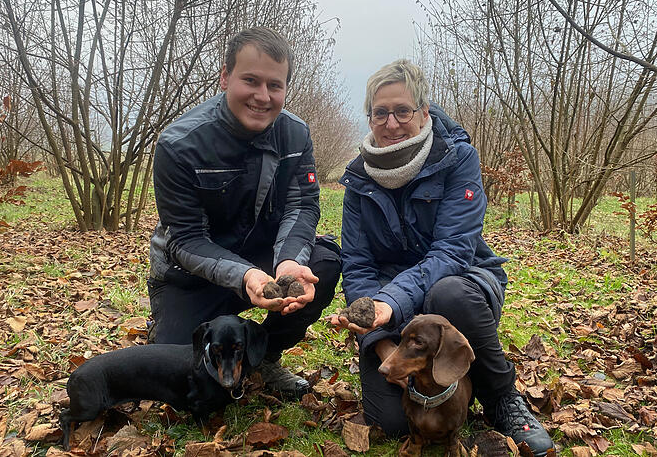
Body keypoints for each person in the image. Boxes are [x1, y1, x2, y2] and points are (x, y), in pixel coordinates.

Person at [329, 60, 554, 456]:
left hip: (459, 280)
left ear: (424, 111)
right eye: (380, 112)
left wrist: (390, 302)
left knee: (446, 295)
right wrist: (383, 343)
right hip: (391, 313)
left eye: (403, 110)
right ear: (370, 117)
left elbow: (452, 251)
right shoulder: (358, 178)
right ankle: (421, 367)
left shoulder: (457, 159)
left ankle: (501, 395)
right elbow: (358, 266)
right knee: (395, 420)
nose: (392, 122)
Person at [148, 27, 341, 398]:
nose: (263, 96)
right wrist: (246, 276)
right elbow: (185, 239)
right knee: (188, 389)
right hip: (188, 275)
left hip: (259, 259)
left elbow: (302, 205)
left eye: (275, 85)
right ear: (225, 76)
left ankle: (263, 357)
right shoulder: (179, 144)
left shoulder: (296, 135)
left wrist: (287, 263)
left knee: (325, 262)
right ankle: (169, 326)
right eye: (250, 80)